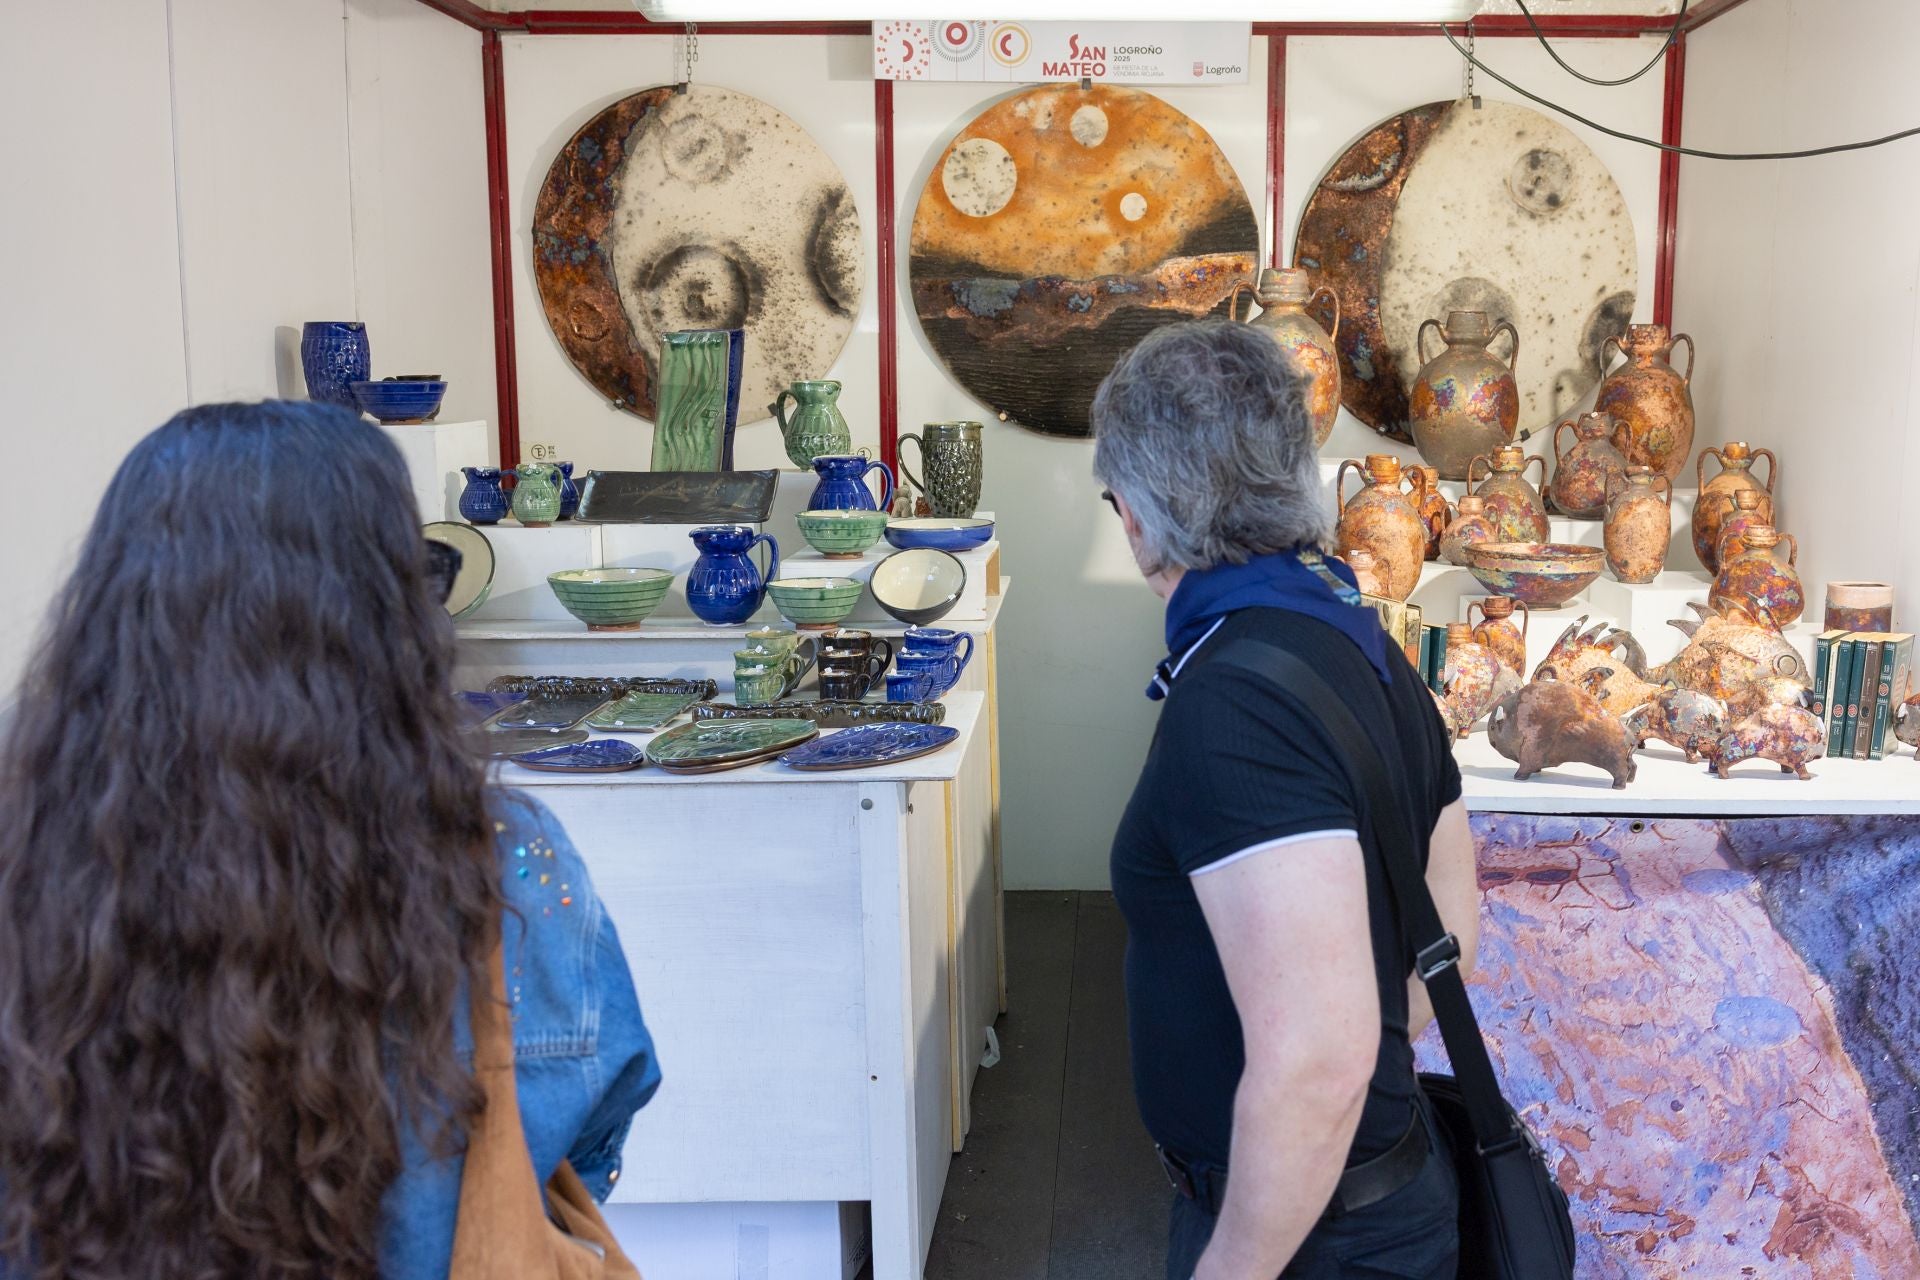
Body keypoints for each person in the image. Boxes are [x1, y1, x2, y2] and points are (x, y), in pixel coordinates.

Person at [0, 401, 660, 1280]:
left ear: (115, 612)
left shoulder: (29, 847)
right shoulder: (502, 856)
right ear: (390, 614)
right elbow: (602, 1100)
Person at [1093, 321, 1480, 1280]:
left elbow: (1317, 1062)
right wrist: (1365, 1082)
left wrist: (1234, 1261)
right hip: (1370, 1196)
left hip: (1314, 1239)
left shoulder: (1236, 703)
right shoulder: (1355, 636)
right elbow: (1453, 929)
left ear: (1137, 510)